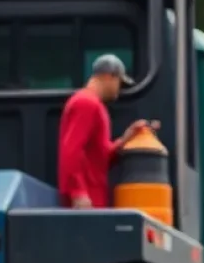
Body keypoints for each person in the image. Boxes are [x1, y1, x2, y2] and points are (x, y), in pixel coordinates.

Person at [57, 54, 154, 209]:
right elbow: (71, 151)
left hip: (94, 200)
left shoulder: (95, 106)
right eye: (119, 83)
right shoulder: (86, 103)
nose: (119, 90)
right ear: (109, 76)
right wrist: (78, 193)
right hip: (86, 202)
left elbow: (99, 156)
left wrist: (125, 139)